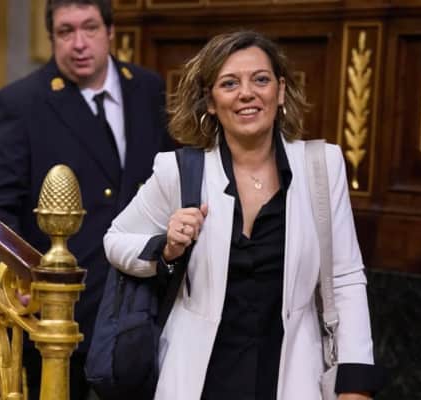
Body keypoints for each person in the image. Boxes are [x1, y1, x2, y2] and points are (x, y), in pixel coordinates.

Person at [103, 31, 385, 399]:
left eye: (261, 80)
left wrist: (355, 383)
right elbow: (116, 240)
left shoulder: (322, 166)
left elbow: (345, 278)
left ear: (280, 91)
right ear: (210, 101)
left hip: (291, 376)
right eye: (229, 83)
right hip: (198, 380)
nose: (247, 93)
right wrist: (166, 248)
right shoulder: (180, 171)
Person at [0, 0, 172, 399]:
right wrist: (21, 272)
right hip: (64, 307)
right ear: (52, 38)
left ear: (110, 32)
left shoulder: (148, 88)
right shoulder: (21, 102)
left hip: (144, 300)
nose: (79, 43)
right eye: (66, 31)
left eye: (90, 28)